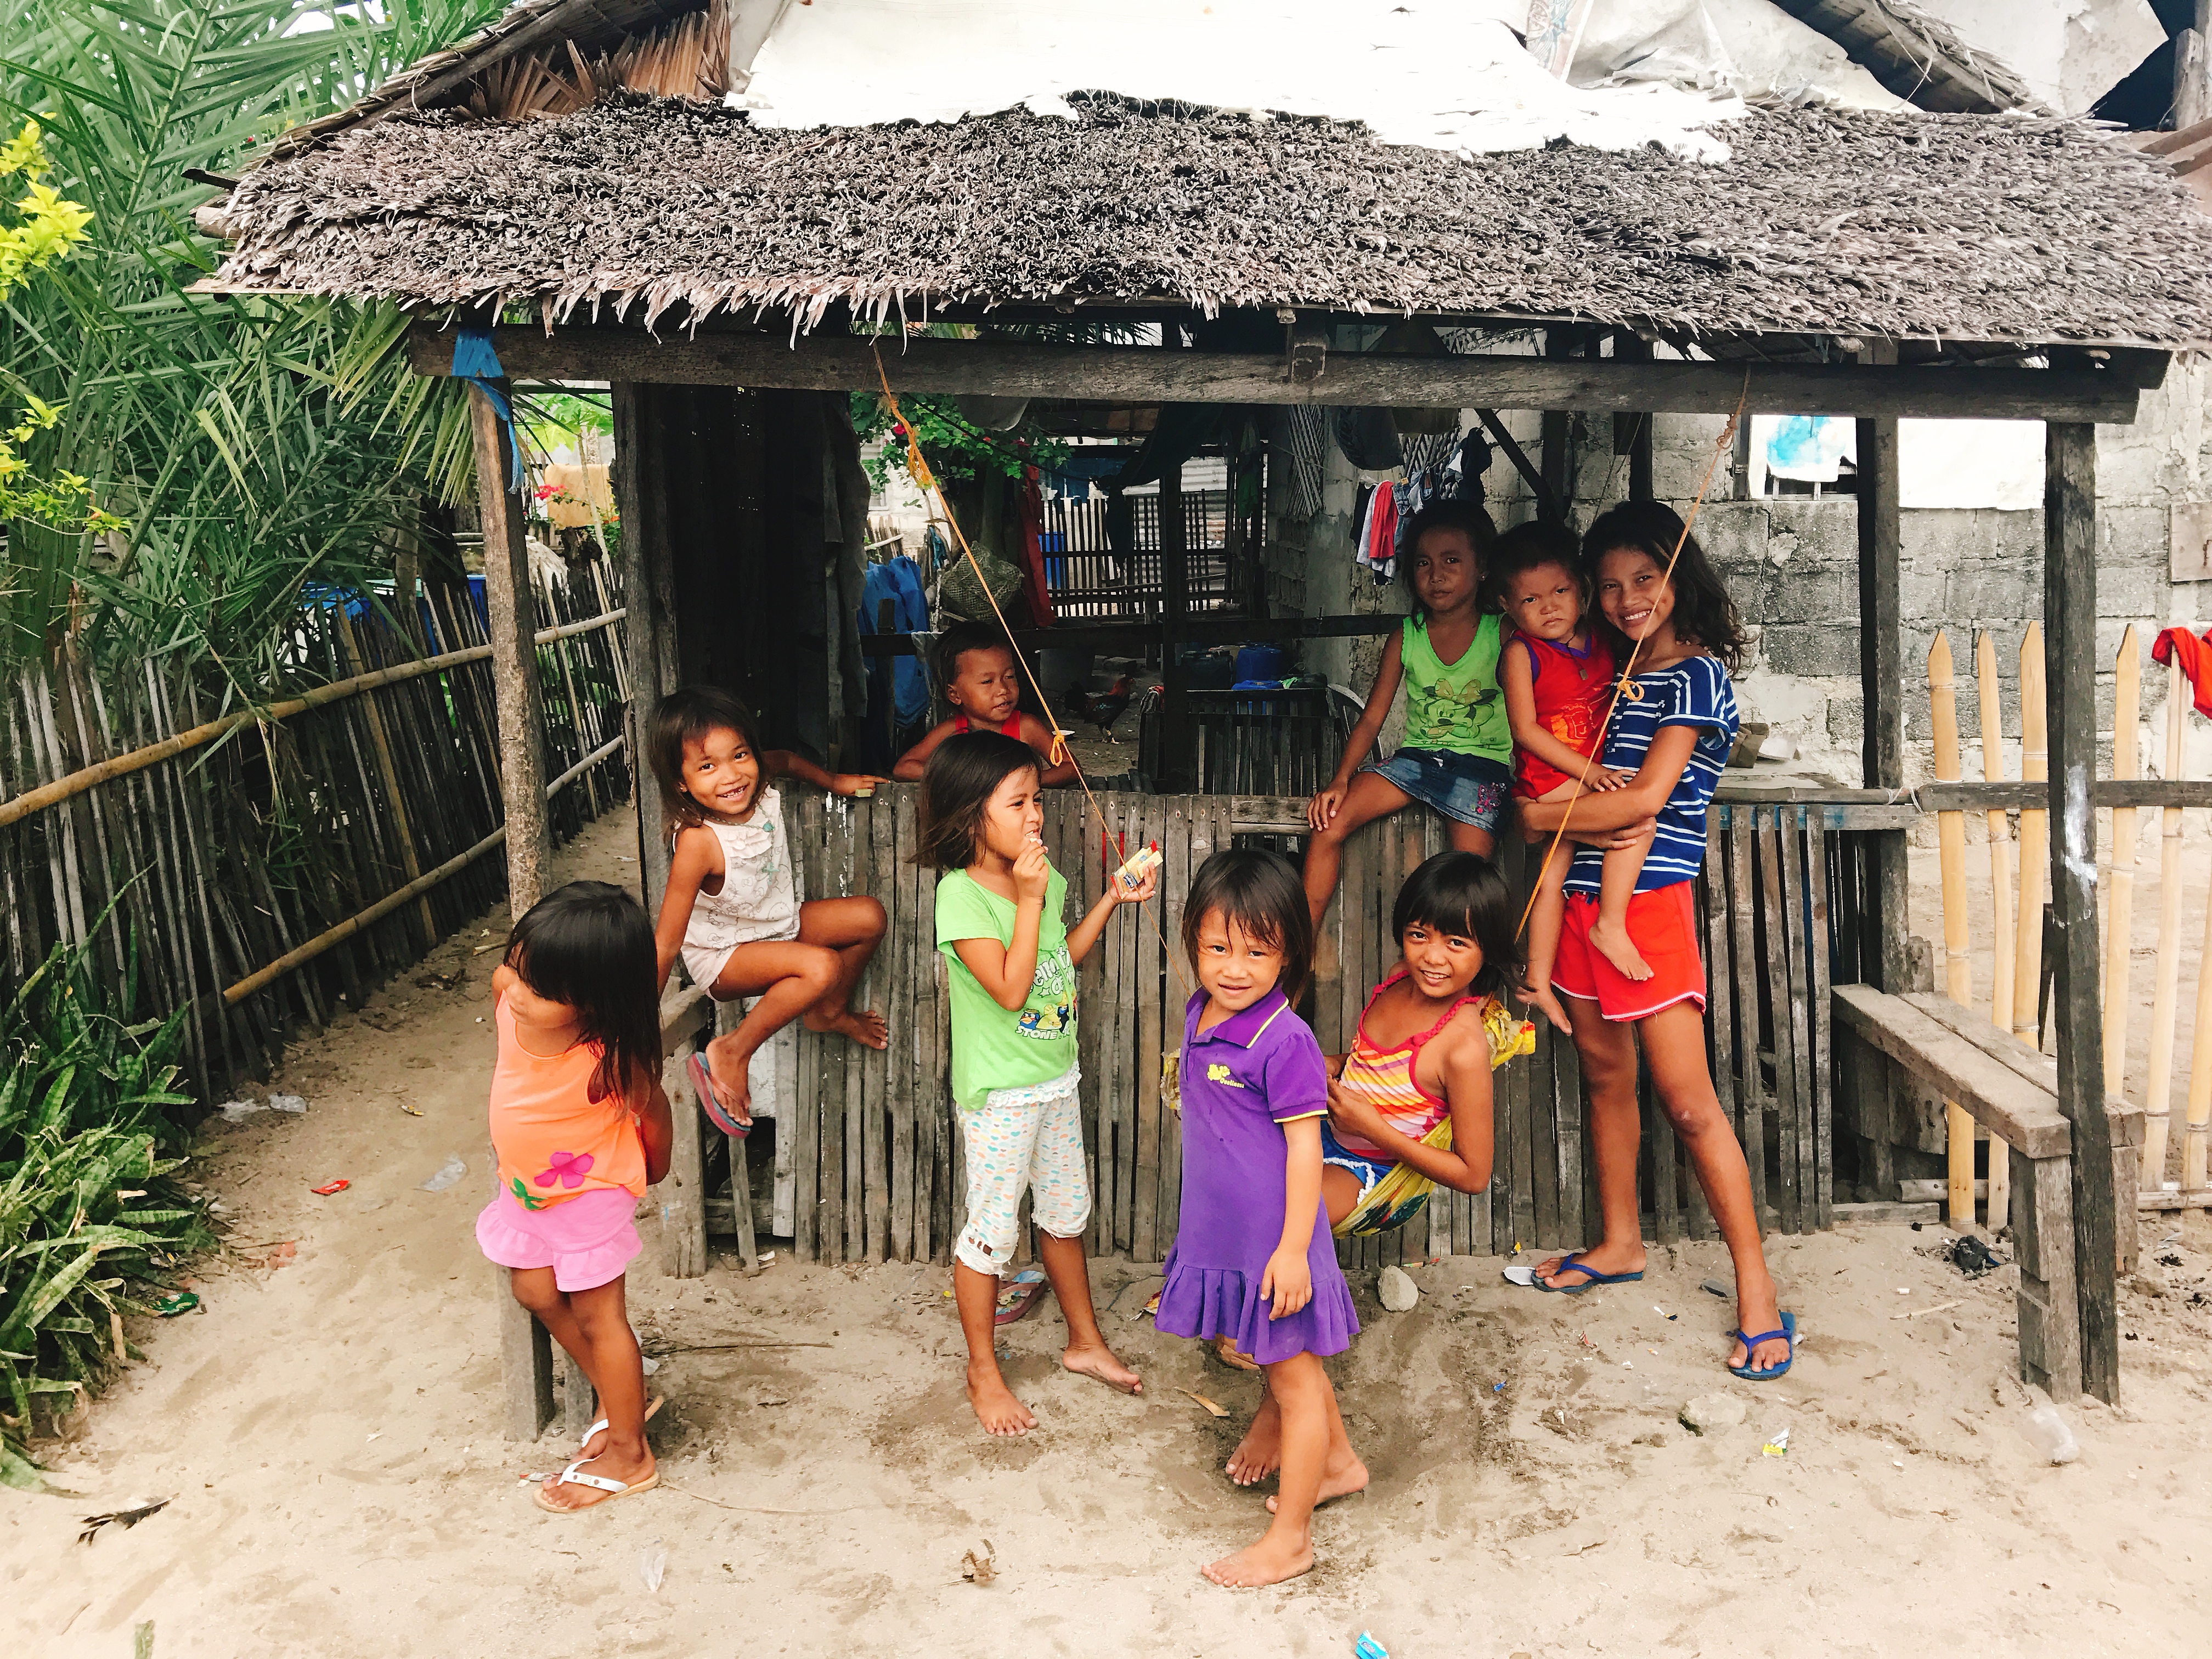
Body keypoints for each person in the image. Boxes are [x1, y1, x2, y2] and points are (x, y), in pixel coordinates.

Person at [1517, 502, 1793, 1381]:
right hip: (1585, 904)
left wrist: (1537, 814)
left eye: (1644, 579)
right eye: (1610, 586)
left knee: (1687, 1101)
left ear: (1682, 578)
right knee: (1605, 1075)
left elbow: (1643, 801)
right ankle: (1621, 1242)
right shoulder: (1619, 674)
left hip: (1648, 908)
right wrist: (1558, 816)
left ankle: (1756, 1291)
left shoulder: (1698, 678)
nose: (1626, 598)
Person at [1222, 852, 1532, 1493]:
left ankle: (1276, 1414)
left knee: (1285, 1233)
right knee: (1237, 1171)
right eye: (1419, 935)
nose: (1433, 957)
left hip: (1379, 1176)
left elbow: (1474, 1173)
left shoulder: (1463, 1043)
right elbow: (1365, 1064)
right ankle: (1283, 1395)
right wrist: (1316, 1069)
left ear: (1487, 949)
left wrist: (1374, 1126)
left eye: (1457, 942)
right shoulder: (1396, 983)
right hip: (1329, 1134)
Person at [918, 730, 1151, 1435]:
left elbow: (1056, 959)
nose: (1035, 816)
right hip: (1000, 1096)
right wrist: (1026, 896)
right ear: (969, 818)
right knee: (989, 1234)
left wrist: (1110, 899)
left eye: (1037, 800)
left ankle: (1084, 1343)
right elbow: (1013, 990)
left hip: (1056, 1078)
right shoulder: (960, 897)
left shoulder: (1039, 883)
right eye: (1017, 803)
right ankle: (983, 1372)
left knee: (1063, 1215)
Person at [1155, 847, 1364, 1589]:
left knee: (1294, 1382)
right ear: (1193, 944)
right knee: (1286, 1367)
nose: (1233, 967)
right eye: (1217, 947)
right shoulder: (1202, 1011)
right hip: (1227, 1235)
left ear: (1289, 956)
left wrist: (1292, 1252)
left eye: (1256, 950)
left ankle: (1292, 1540)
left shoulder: (1285, 1040)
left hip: (1276, 1245)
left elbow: (1307, 1151)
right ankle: (1338, 1464)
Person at [476, 882, 674, 1513]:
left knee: (599, 1317)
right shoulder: (513, 1006)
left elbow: (655, 1111)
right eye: (517, 966)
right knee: (533, 1291)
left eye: (536, 986)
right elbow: (505, 983)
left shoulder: (607, 1060)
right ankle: (623, 1399)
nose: (512, 987)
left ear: (593, 1001)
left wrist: (656, 1164)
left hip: (589, 1196)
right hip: (527, 1193)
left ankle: (630, 1452)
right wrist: (518, 977)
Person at [648, 687, 889, 1133]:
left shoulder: (757, 785)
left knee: (869, 917)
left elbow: (786, 760)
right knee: (821, 967)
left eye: (739, 755)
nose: (731, 776)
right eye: (707, 767)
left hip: (778, 928)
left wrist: (832, 780)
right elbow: (666, 941)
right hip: (723, 957)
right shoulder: (700, 843)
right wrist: (639, 1024)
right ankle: (733, 1051)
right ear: (681, 782)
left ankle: (827, 1012)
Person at [1304, 501, 1512, 926]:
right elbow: (1373, 717)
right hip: (1416, 762)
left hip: (1483, 768)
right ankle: (1299, 945)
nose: (1436, 575)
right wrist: (1340, 780)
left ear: (1484, 568)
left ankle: (1457, 977)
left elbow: (1532, 714)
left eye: (1452, 560)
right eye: (1423, 563)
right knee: (1328, 824)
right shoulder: (1408, 635)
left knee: (1465, 878)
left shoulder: (1503, 631)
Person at [1493, 520, 1641, 1034]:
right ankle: (1602, 922)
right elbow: (1526, 731)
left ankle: (1538, 979)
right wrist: (1591, 771)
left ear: (1580, 589)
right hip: (1552, 777)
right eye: (1531, 599)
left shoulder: (1603, 638)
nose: (1549, 606)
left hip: (1590, 778)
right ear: (1508, 607)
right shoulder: (1521, 653)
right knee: (1623, 831)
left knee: (1553, 872)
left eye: (1559, 592)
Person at [893, 621, 1078, 787]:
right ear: (955, 694)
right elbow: (904, 769)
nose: (1003, 689)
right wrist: (957, 778)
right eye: (987, 682)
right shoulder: (952, 730)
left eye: (1009, 677)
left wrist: (1023, 782)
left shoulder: (1026, 727)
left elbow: (1072, 769)